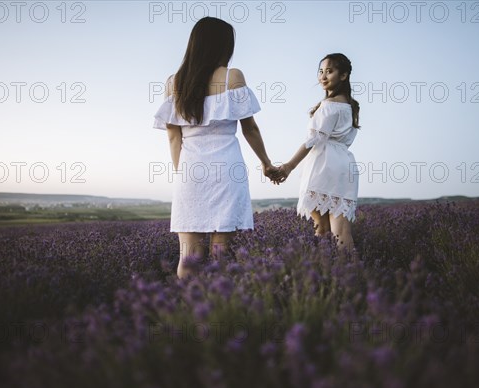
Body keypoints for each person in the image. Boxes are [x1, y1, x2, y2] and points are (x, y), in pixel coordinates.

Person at [153, 17, 281, 279]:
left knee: (188, 258)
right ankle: (216, 312)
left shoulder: (173, 83)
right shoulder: (232, 77)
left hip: (190, 172)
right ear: (224, 46)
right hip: (227, 171)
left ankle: (187, 313)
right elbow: (250, 128)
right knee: (222, 255)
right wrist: (267, 164)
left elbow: (173, 136)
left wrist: (183, 173)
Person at [276, 53, 361, 254]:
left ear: (344, 75)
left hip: (324, 165)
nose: (323, 76)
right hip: (344, 165)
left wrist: (288, 166)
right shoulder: (350, 106)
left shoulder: (329, 106)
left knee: (321, 230)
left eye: (329, 71)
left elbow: (313, 140)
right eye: (321, 72)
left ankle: (324, 276)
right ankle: (351, 277)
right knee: (342, 232)